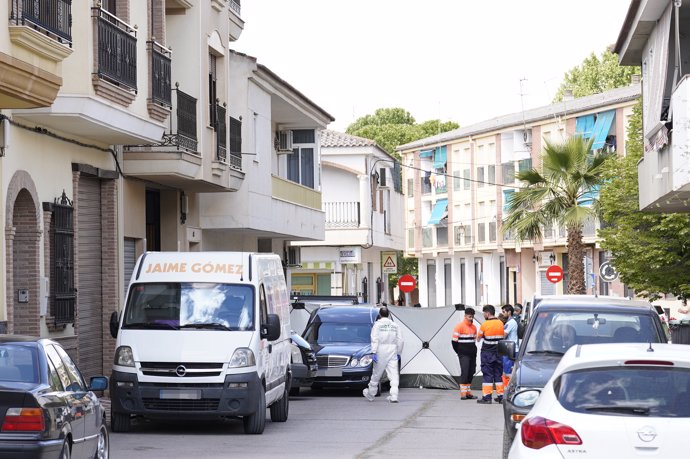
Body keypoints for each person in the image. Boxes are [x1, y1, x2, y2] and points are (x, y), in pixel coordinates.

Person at [363, 306, 404, 403]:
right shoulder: (395, 325)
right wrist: (399, 352)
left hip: (380, 350)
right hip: (392, 350)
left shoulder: (377, 325)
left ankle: (371, 394)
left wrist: (373, 352)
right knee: (393, 374)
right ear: (389, 314)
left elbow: (374, 339)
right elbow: (401, 340)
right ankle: (394, 395)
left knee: (376, 373)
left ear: (380, 315)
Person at [476, 305, 505, 404]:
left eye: (484, 313)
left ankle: (487, 397)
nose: (484, 315)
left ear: (487, 313)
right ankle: (501, 397)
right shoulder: (500, 323)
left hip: (487, 354)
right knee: (498, 375)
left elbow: (478, 338)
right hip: (499, 353)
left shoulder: (485, 325)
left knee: (488, 375)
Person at [452, 307, 477, 400]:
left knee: (471, 371)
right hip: (463, 354)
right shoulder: (459, 326)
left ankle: (468, 392)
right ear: (465, 316)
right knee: (465, 372)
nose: (471, 318)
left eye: (472, 317)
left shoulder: (474, 327)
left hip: (472, 353)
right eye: (469, 316)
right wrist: (459, 352)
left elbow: (474, 341)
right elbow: (454, 341)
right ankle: (463, 393)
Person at [501, 304, 518, 389]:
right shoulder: (510, 322)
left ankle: (508, 391)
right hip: (509, 348)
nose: (503, 313)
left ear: (509, 312)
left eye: (504, 312)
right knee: (506, 372)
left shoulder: (511, 322)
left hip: (510, 349)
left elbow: (503, 335)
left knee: (508, 372)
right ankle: (506, 391)